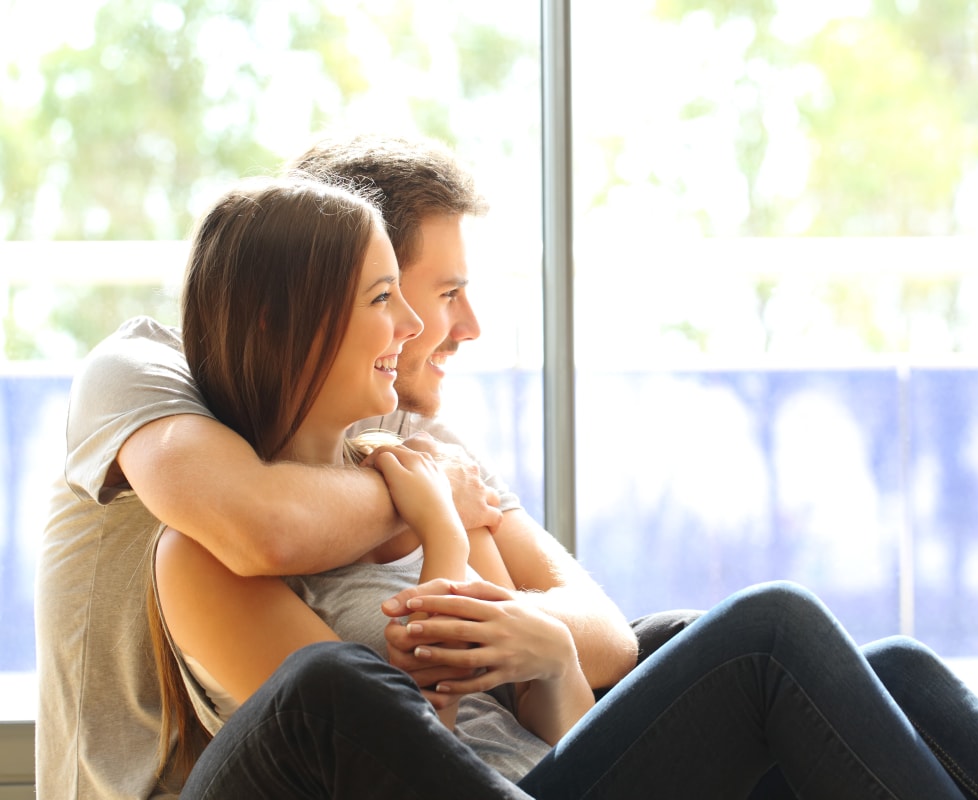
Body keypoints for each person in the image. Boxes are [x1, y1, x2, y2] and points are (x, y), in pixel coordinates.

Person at [153, 174, 978, 800]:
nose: (414, 327)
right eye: (384, 299)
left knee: (903, 672)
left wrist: (551, 650)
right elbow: (388, 757)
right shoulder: (203, 561)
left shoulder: (409, 469)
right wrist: (444, 536)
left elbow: (540, 713)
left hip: (549, 772)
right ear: (277, 324)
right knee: (770, 632)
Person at [35, 133, 649, 800]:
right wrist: (434, 513)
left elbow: (592, 650)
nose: (433, 324)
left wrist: (550, 650)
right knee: (329, 684)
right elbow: (264, 531)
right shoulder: (144, 379)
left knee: (712, 633)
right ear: (308, 295)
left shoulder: (411, 447)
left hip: (493, 769)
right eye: (412, 294)